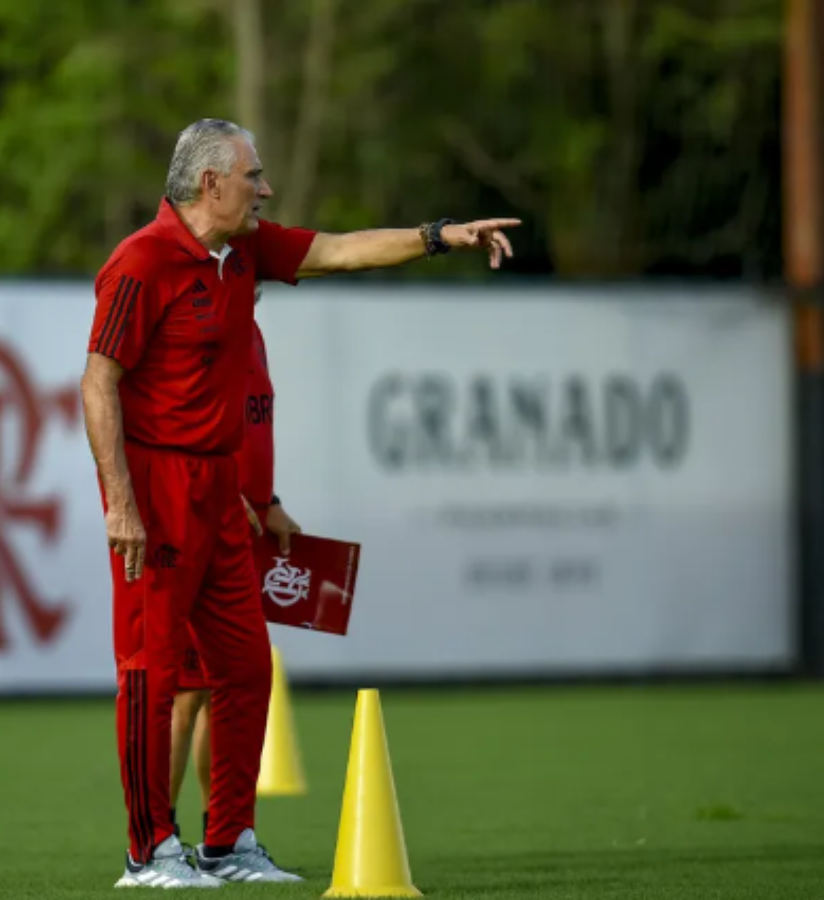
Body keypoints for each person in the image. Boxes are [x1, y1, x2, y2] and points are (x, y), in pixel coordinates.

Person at [81, 117, 518, 889]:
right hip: (157, 489)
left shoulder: (244, 250)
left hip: (221, 492)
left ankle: (227, 842)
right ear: (211, 183)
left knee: (246, 668)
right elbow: (98, 382)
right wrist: (121, 502)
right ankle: (147, 851)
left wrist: (440, 235)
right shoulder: (139, 263)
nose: (266, 189)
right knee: (151, 672)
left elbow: (344, 250)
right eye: (254, 175)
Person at [168, 282, 300, 856]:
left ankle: (215, 833)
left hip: (241, 527)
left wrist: (267, 502)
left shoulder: (251, 336)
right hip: (203, 527)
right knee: (186, 693)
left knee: (221, 689)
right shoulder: (203, 339)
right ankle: (158, 838)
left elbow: (249, 430)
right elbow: (186, 431)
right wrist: (226, 496)